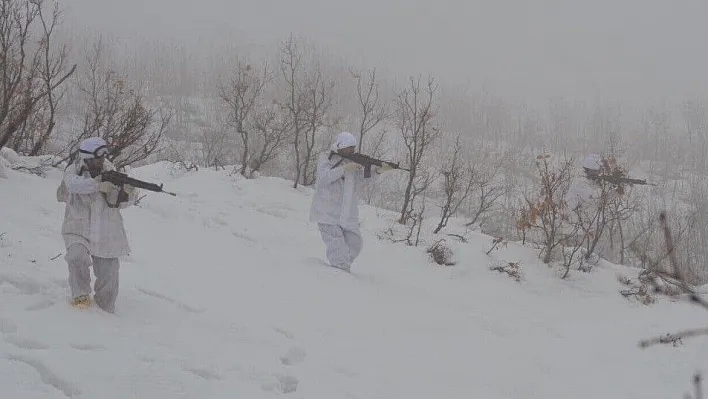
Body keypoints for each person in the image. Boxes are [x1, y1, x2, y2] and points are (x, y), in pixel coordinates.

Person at [57, 137, 139, 312]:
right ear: (86, 158)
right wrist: (98, 184)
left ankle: (105, 308)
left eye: (102, 157)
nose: (100, 161)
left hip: (105, 230)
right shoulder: (74, 170)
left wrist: (126, 194)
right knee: (76, 257)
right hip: (78, 228)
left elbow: (122, 202)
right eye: (96, 158)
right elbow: (73, 185)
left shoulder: (111, 171)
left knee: (109, 272)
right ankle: (80, 296)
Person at [309, 132, 393, 272]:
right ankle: (338, 275)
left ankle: (342, 267)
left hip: (346, 213)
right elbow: (324, 178)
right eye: (348, 147)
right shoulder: (326, 159)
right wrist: (343, 169)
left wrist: (378, 171)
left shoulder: (352, 163)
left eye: (353, 147)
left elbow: (361, 181)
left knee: (356, 243)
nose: (351, 150)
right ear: (340, 146)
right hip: (327, 213)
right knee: (337, 248)